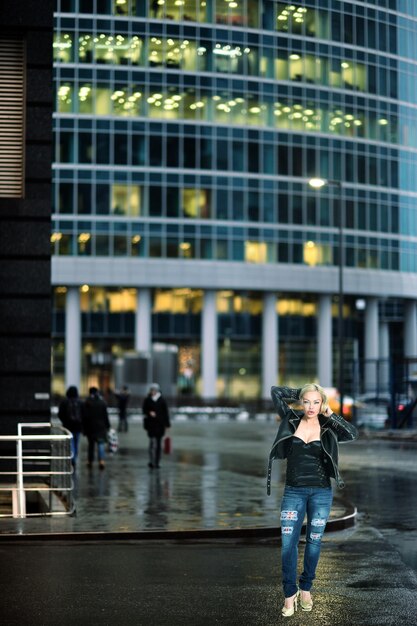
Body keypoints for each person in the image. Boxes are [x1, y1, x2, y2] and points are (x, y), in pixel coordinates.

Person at [267, 384, 358, 617]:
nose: (310, 406)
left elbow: (352, 434)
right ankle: (290, 595)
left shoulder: (328, 425)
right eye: (306, 401)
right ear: (301, 402)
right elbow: (275, 391)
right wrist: (305, 390)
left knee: (314, 543)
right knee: (288, 545)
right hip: (293, 492)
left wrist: (331, 414)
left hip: (321, 493)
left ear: (322, 404)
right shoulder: (290, 418)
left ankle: (306, 588)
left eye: (316, 402)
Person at [142, 383, 170, 469]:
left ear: (157, 390)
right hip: (151, 425)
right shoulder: (147, 400)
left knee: (158, 444)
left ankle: (157, 462)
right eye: (151, 390)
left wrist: (167, 424)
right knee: (151, 443)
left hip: (160, 425)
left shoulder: (162, 400)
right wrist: (149, 412)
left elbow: (165, 413)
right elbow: (144, 410)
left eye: (154, 390)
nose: (152, 392)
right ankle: (151, 461)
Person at [81, 387, 110, 470]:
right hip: (101, 427)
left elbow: (84, 417)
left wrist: (84, 428)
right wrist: (108, 426)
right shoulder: (102, 403)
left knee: (91, 445)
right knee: (101, 444)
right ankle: (101, 461)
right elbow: (105, 416)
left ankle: (90, 461)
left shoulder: (87, 403)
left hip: (90, 427)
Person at [58, 386, 83, 468]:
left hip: (68, 426)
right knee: (76, 442)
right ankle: (74, 457)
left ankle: (72, 458)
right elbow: (84, 414)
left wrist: (64, 421)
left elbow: (60, 414)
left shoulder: (64, 402)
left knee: (70, 442)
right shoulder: (80, 402)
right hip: (78, 426)